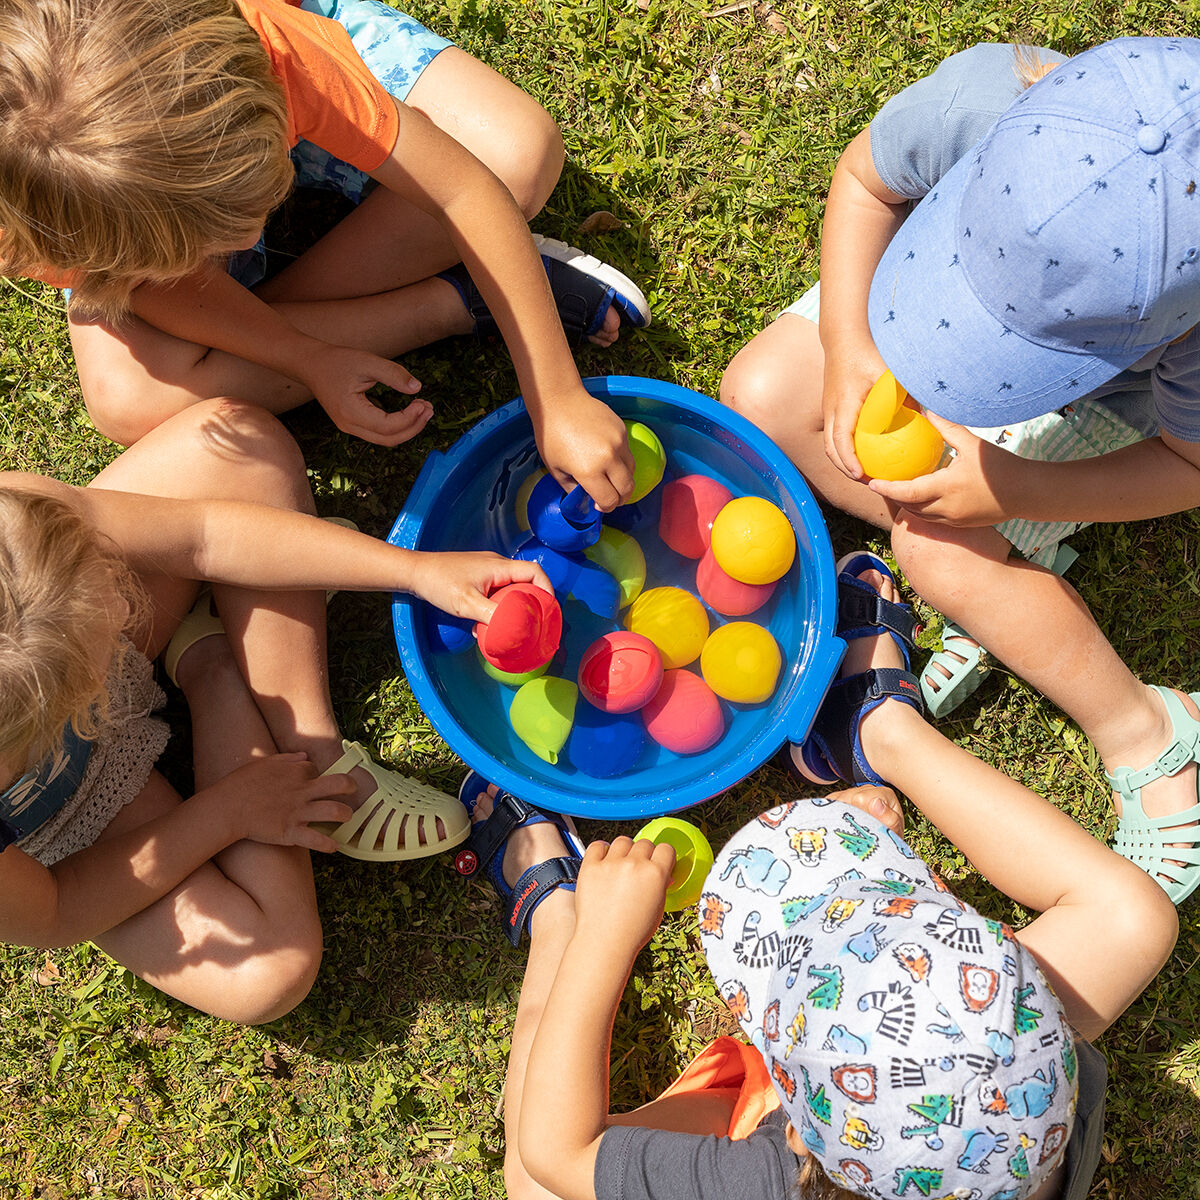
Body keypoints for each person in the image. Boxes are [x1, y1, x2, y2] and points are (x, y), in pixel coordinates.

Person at [466, 557, 1176, 1200]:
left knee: (535, 1187)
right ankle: (883, 734)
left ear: (795, 1134)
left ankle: (553, 915)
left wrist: (600, 938)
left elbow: (558, 1154)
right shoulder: (1028, 1118)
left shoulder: (769, 1185)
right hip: (897, 1124)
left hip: (803, 1132)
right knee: (1133, 918)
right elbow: (1123, 917)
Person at [720, 36, 1200, 902]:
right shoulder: (989, 97)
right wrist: (848, 343)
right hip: (921, 300)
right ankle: (1007, 562)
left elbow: (1187, 464)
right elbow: (865, 182)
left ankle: (1147, 729)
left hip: (1104, 413)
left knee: (936, 552)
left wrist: (1010, 488)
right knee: (761, 393)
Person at [0, 397, 551, 1023]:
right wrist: (228, 811)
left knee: (241, 448)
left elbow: (204, 535)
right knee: (269, 973)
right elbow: (54, 911)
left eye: (112, 584)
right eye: (108, 623)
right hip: (66, 815)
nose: (129, 607)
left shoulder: (15, 533)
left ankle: (310, 746)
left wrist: (413, 571)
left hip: (54, 661)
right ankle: (212, 663)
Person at [0, 0, 649, 510]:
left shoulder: (273, 50)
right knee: (128, 400)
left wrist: (556, 396)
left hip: (274, 84)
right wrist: (307, 357)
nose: (245, 244)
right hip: (138, 185)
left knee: (514, 157)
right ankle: (456, 298)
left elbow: (465, 186)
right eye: (200, 247)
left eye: (243, 215)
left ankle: (477, 268)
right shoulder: (41, 204)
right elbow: (145, 287)